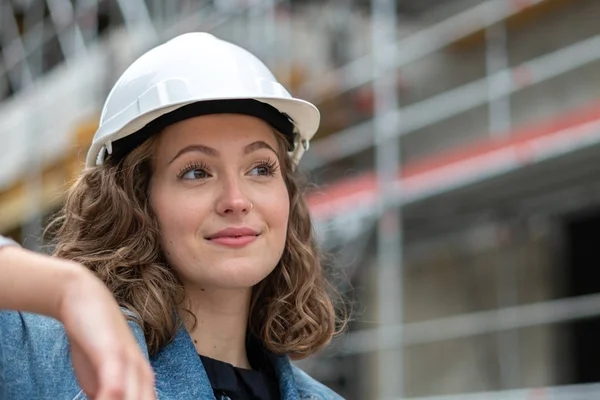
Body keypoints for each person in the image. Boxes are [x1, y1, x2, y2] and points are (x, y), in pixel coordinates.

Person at [0, 32, 346, 400]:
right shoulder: (49, 359)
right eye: (196, 172)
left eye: (260, 168)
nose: (236, 200)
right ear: (135, 200)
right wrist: (68, 290)